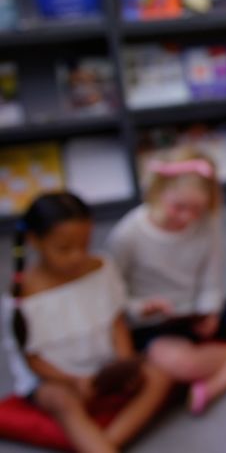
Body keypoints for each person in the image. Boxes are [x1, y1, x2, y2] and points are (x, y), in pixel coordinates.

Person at [106, 150, 226, 415]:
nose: (188, 217)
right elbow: (112, 293)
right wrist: (140, 308)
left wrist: (210, 309)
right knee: (181, 364)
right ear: (158, 192)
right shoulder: (128, 235)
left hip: (198, 308)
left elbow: (210, 272)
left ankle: (217, 383)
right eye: (179, 207)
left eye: (197, 209)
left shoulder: (207, 220)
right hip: (156, 324)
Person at [1, 192, 171, 452]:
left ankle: (106, 444)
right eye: (64, 248)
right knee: (61, 400)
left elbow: (117, 323)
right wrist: (74, 381)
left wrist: (123, 363)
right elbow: (33, 360)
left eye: (84, 244)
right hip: (57, 379)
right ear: (35, 241)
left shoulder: (102, 267)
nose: (77, 256)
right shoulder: (22, 297)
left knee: (158, 375)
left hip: (104, 369)